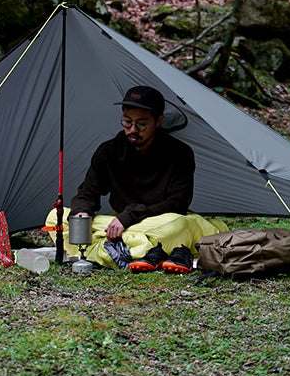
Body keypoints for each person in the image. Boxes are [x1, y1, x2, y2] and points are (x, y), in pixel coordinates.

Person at [52, 85, 227, 272]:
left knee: (176, 226)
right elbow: (88, 192)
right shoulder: (109, 151)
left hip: (159, 221)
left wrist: (129, 216)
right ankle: (138, 252)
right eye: (127, 122)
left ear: (158, 121)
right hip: (120, 225)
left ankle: (107, 251)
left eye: (141, 124)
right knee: (56, 218)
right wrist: (82, 213)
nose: (133, 130)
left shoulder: (180, 153)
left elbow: (177, 203)